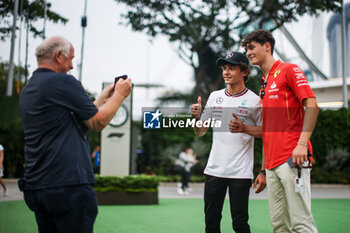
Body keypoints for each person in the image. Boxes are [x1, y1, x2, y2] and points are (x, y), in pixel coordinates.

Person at [19, 36, 132, 233]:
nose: (72, 66)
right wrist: (120, 95)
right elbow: (97, 122)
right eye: (71, 59)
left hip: (38, 186)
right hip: (68, 186)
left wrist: (101, 100)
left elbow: (76, 122)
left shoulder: (30, 88)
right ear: (58, 56)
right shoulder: (63, 82)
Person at [241, 29, 319, 233]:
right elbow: (269, 131)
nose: (248, 53)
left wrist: (302, 144)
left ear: (267, 46)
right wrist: (263, 169)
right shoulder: (264, 83)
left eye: (251, 47)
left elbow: (312, 106)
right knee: (279, 226)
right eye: (246, 49)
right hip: (273, 166)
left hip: (293, 159)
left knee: (301, 223)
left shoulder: (290, 70)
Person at [191, 52, 266, 233]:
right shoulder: (215, 96)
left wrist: (263, 170)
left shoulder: (255, 100)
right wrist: (196, 118)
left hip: (240, 173)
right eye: (224, 68)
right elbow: (201, 131)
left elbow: (266, 134)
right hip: (214, 170)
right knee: (211, 222)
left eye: (232, 68)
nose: (226, 72)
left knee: (240, 224)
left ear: (245, 71)